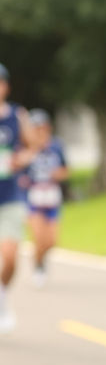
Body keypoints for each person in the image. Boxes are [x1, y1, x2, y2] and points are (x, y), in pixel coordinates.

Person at [0, 63, 33, 332]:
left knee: (10, 258)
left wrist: (20, 159)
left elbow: (32, 147)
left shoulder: (18, 115)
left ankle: (2, 297)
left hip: (9, 196)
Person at [21, 109, 69, 286]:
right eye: (36, 128)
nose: (40, 131)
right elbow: (18, 171)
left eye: (42, 127)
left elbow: (66, 170)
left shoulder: (56, 146)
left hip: (52, 198)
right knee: (39, 238)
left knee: (51, 241)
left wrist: (58, 174)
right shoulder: (26, 148)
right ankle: (38, 266)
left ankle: (40, 259)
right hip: (33, 200)